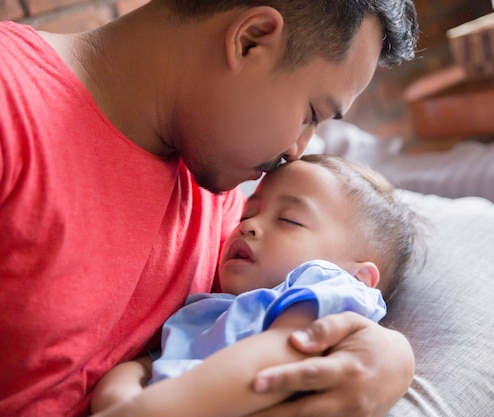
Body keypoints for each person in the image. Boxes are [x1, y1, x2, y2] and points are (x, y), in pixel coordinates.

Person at [0, 0, 419, 416]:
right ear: (250, 40)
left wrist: (392, 357)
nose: (296, 152)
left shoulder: (225, 206)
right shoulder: (12, 101)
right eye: (311, 114)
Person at [89, 154, 428, 416]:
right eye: (247, 214)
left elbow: (279, 355)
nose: (249, 226)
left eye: (289, 220)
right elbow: (150, 363)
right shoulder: (209, 306)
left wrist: (148, 409)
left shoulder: (325, 286)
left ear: (359, 278)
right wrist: (120, 395)